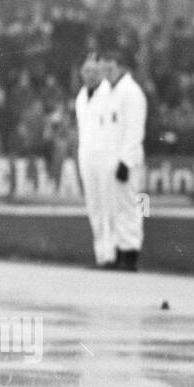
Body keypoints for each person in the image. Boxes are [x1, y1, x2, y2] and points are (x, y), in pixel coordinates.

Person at [102, 47, 148, 270]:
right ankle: (120, 252)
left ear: (120, 67)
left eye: (111, 68)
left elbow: (134, 129)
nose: (107, 73)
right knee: (115, 208)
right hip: (111, 160)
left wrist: (126, 161)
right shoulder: (112, 91)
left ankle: (130, 254)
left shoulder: (131, 92)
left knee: (130, 207)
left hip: (126, 161)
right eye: (104, 69)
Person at [74, 52, 114, 268]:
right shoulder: (81, 96)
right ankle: (100, 252)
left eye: (94, 71)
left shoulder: (109, 93)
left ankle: (111, 253)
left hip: (105, 154)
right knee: (93, 204)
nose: (90, 75)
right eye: (86, 71)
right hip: (87, 154)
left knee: (108, 203)